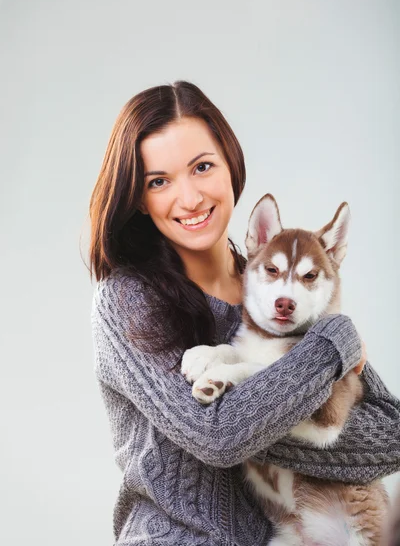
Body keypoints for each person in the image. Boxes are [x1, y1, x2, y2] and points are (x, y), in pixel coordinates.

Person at [89, 80, 400, 546]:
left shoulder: (277, 289)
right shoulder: (128, 301)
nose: (190, 197)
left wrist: (319, 361)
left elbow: (390, 435)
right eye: (159, 181)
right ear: (138, 197)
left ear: (231, 166)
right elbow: (218, 435)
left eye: (202, 167)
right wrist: (333, 344)